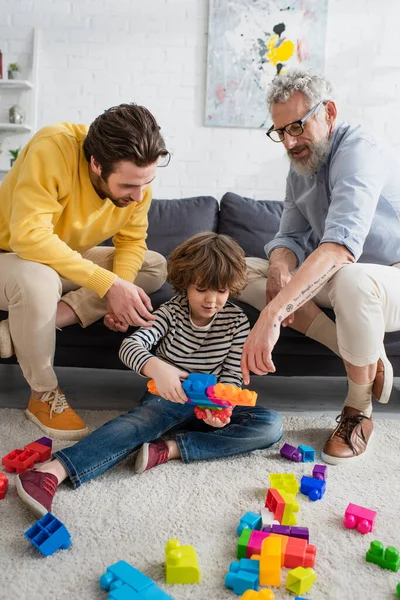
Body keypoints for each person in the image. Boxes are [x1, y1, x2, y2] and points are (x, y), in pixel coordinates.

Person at [15, 232, 283, 518]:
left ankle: (169, 448)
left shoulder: (237, 321)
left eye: (221, 290)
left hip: (209, 403)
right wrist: (158, 368)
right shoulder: (170, 312)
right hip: (167, 397)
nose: (212, 300)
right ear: (185, 284)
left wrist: (222, 409)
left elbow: (231, 376)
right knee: (137, 424)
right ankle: (51, 471)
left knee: (270, 424)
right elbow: (130, 346)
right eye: (202, 289)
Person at [239, 68, 400, 465]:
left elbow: (341, 247)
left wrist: (274, 314)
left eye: (297, 126)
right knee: (236, 269)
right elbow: (288, 235)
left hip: (387, 276)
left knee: (350, 277)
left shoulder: (360, 149)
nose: (290, 142)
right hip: (342, 278)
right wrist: (279, 264)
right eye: (280, 132)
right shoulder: (301, 167)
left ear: (328, 112)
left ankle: (358, 410)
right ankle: (370, 356)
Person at [0, 103, 169, 440]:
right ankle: (43, 396)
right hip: (10, 254)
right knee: (40, 279)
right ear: (95, 165)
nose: (139, 196)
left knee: (154, 265)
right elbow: (29, 237)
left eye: (145, 184)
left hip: (62, 256)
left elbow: (132, 241)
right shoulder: (53, 146)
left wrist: (119, 289)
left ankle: (15, 332)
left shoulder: (138, 185)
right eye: (128, 187)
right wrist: (108, 286)